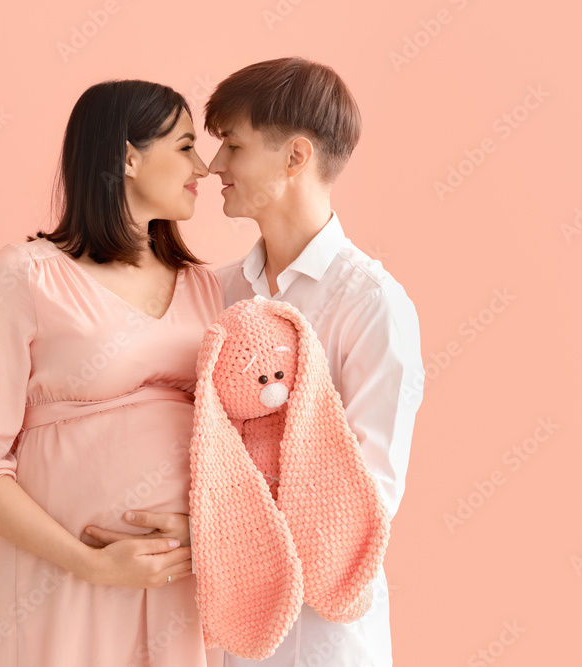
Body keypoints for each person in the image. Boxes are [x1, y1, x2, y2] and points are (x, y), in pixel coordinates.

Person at [0, 79, 218, 667]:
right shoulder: (29, 275)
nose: (204, 165)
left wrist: (208, 530)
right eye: (186, 145)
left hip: (177, 582)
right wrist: (89, 562)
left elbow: (235, 447)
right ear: (127, 156)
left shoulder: (204, 286)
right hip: (59, 580)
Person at [204, 57, 425, 666]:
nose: (215, 165)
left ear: (295, 156)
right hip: (230, 635)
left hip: (323, 642)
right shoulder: (218, 294)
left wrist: (230, 526)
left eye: (232, 143)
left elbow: (370, 496)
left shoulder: (372, 303)